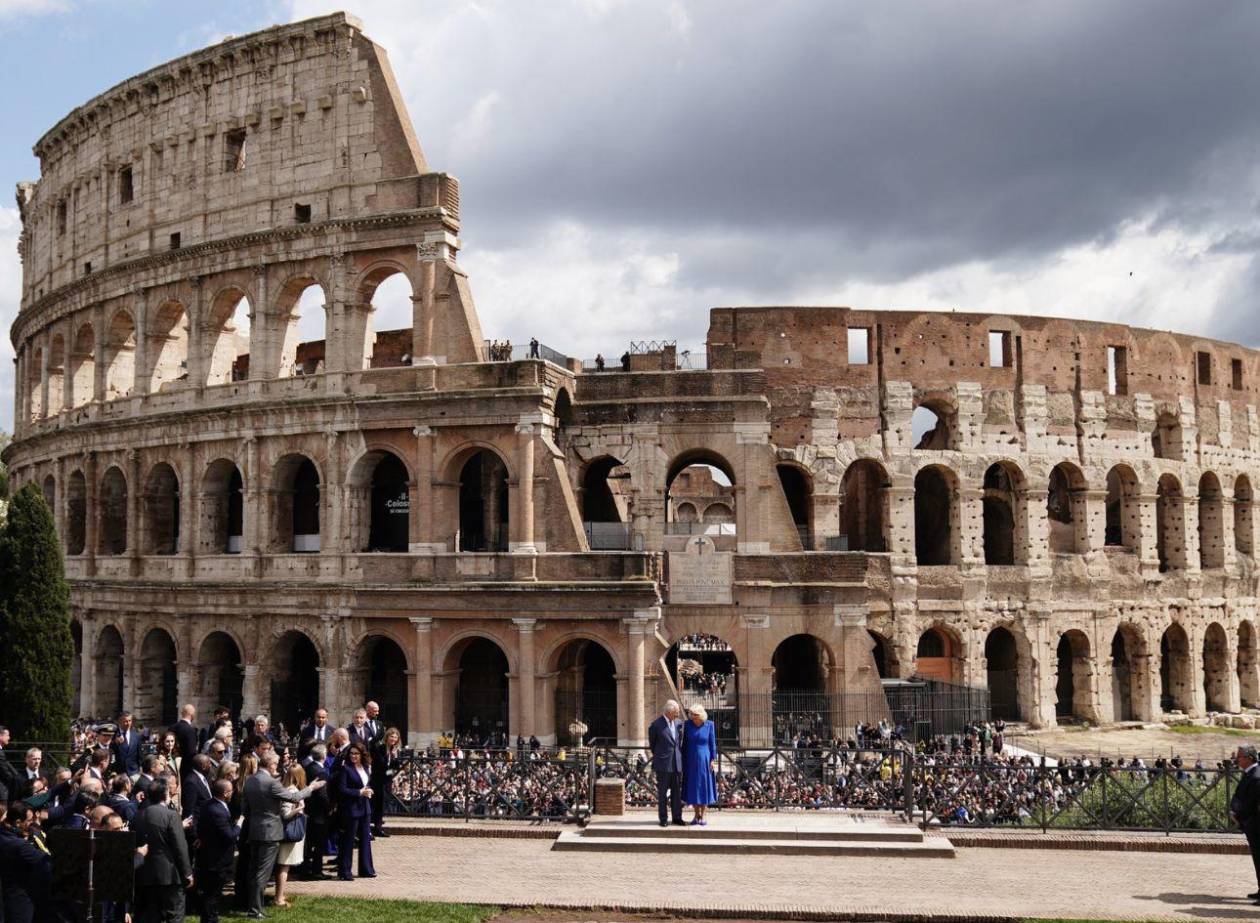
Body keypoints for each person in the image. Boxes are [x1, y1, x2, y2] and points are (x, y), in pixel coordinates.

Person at [242, 751, 325, 919]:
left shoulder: (250, 780)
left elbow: (246, 808)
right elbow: (294, 797)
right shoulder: (271, 783)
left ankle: (252, 905)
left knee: (254, 870)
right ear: (271, 764)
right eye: (276, 764)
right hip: (270, 833)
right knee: (262, 873)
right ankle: (255, 910)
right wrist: (311, 787)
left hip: (255, 830)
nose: (278, 767)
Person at [132, 776, 193, 923]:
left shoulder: (138, 816)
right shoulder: (171, 815)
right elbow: (180, 846)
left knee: (152, 915)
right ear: (165, 795)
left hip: (145, 874)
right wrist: (187, 872)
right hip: (169, 875)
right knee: (174, 914)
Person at [0, 801, 51, 923]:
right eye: (28, 821)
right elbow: (46, 862)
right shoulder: (20, 845)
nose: (31, 823)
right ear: (17, 822)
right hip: (20, 899)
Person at [196, 779, 239, 923]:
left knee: (211, 894)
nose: (232, 793)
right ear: (226, 793)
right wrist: (238, 825)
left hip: (208, 856)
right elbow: (229, 836)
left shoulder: (208, 804)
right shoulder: (218, 811)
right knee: (212, 895)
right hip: (216, 861)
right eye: (231, 790)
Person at [334, 743, 377, 880]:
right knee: (348, 840)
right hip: (350, 809)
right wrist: (359, 792)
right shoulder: (345, 769)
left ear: (361, 755)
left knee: (365, 839)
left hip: (365, 807)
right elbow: (342, 789)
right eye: (351, 753)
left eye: (356, 754)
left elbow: (366, 783)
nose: (353, 756)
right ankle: (344, 872)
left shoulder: (365, 767)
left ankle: (366, 869)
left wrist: (368, 790)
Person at [274, 763, 308, 907]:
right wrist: (299, 808)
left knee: (283, 866)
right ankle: (279, 898)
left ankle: (279, 894)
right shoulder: (292, 791)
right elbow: (286, 814)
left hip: (285, 832)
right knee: (284, 866)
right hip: (289, 833)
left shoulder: (286, 788)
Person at [647, 700, 685, 827]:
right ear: (669, 712)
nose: (678, 714)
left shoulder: (679, 723)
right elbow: (653, 745)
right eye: (676, 712)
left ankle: (677, 817)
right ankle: (663, 818)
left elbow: (678, 743)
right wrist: (661, 756)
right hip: (663, 764)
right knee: (662, 793)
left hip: (677, 764)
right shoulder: (656, 725)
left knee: (676, 793)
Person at [1231, 743, 1260, 903]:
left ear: (1249, 758)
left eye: (1239, 757)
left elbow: (1251, 803)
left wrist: (1239, 816)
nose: (1237, 760)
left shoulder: (1256, 776)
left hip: (1256, 825)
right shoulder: (1250, 773)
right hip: (1251, 824)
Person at [681, 703, 718, 825]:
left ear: (702, 715)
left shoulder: (709, 725)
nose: (693, 717)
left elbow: (712, 745)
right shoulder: (687, 725)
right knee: (694, 787)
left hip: (705, 759)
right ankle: (696, 815)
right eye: (692, 715)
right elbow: (684, 744)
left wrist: (713, 760)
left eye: (696, 715)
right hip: (691, 759)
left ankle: (703, 815)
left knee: (704, 787)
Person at [299, 743, 331, 880]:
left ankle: (306, 869)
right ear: (324, 755)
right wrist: (329, 807)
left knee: (309, 843)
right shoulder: (321, 772)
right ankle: (317, 871)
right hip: (319, 813)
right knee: (318, 844)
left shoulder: (308, 767)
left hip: (309, 810)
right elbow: (322, 795)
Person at [370, 727, 402, 837]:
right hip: (376, 780)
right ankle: (369, 829)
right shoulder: (380, 748)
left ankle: (378, 828)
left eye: (395, 737)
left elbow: (395, 768)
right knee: (374, 804)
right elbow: (381, 764)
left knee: (382, 805)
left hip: (386, 781)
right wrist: (390, 756)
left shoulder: (396, 751)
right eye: (391, 736)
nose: (393, 739)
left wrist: (394, 757)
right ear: (387, 737)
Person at [114, 711, 144, 777]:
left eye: (130, 721)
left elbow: (140, 755)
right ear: (119, 721)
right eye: (125, 721)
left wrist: (140, 768)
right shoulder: (113, 735)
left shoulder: (136, 736)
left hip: (134, 772)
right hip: (119, 773)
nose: (128, 723)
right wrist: (114, 743)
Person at [173, 703, 199, 779]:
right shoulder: (190, 730)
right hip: (185, 769)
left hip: (173, 766)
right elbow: (191, 752)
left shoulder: (172, 727)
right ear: (192, 714)